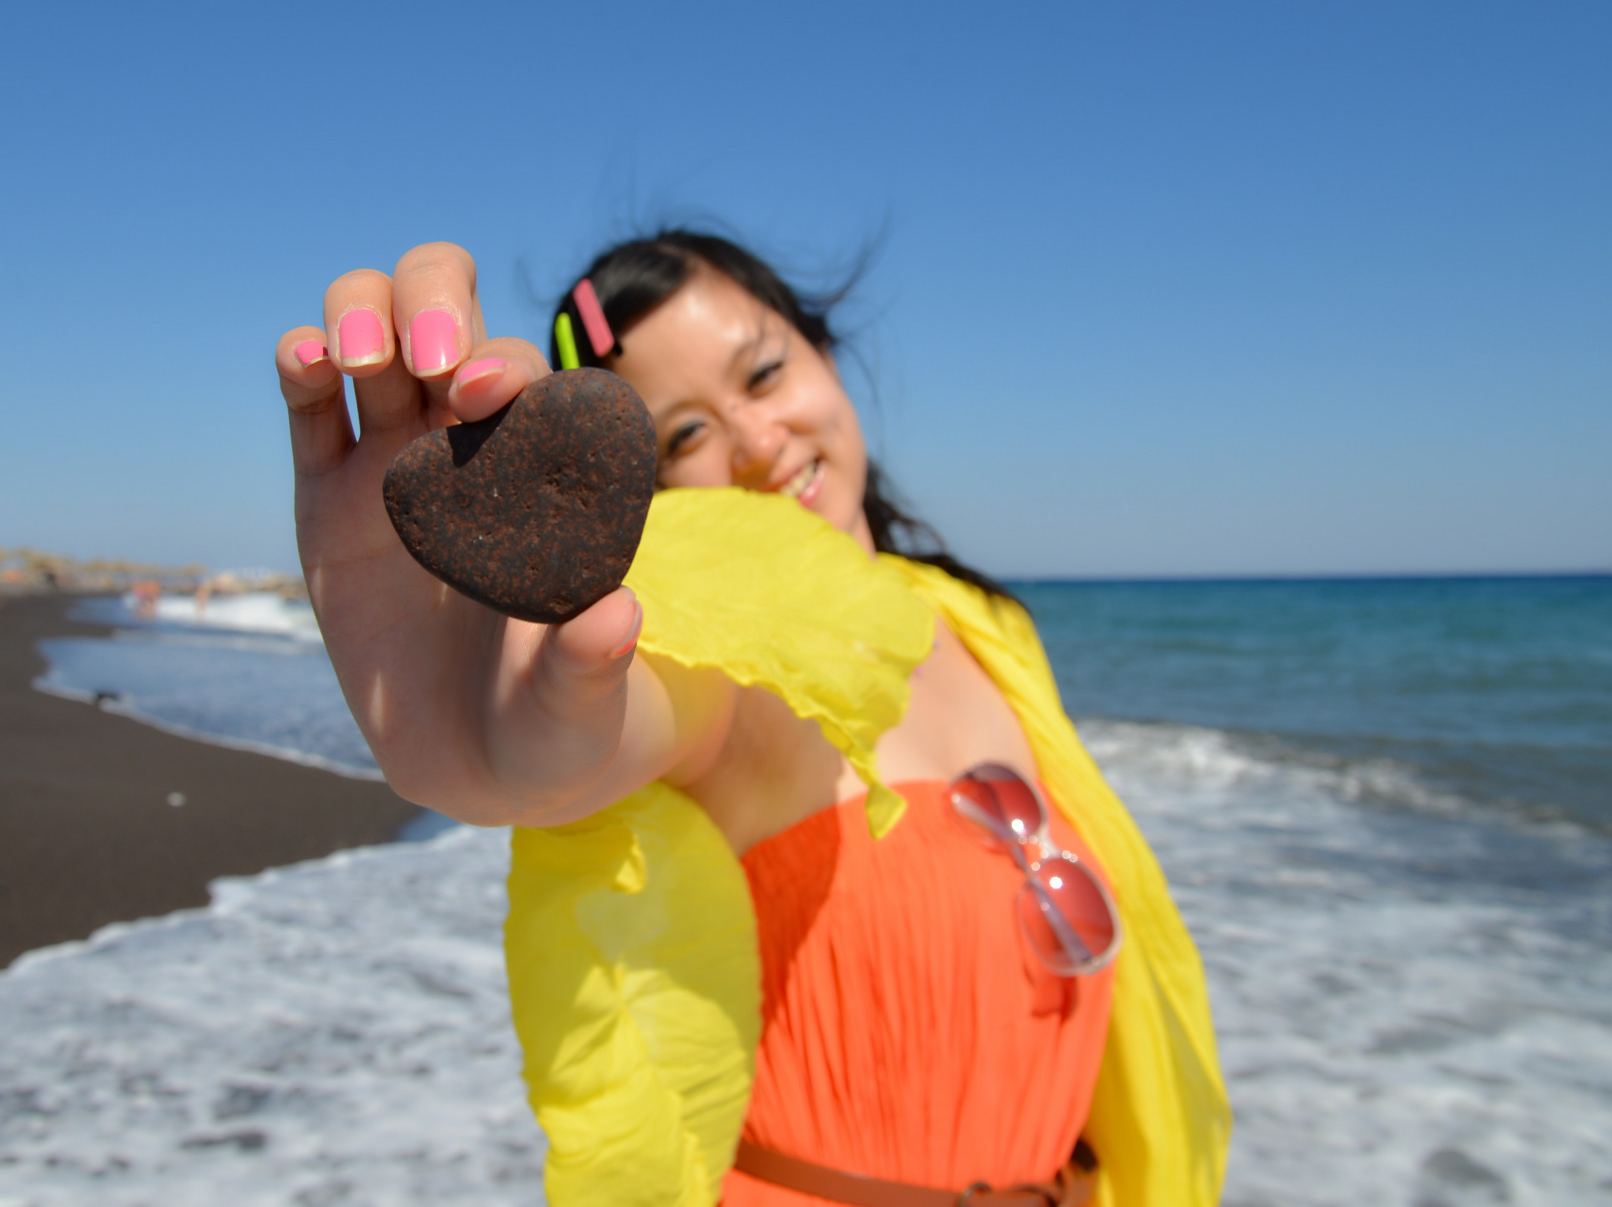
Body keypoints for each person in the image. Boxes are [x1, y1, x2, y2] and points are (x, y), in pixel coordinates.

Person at [275, 234, 1228, 1207]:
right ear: (635, 495)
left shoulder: (985, 627)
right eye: (684, 435)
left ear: (823, 351)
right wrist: (484, 747)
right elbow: (593, 737)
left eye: (763, 374)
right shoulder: (726, 670)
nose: (760, 443)